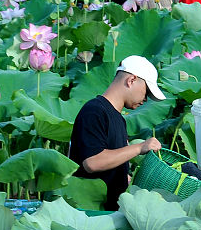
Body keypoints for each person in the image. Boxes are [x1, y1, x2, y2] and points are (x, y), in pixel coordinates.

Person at [68, 56, 165, 211]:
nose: (146, 99)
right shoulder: (94, 111)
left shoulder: (119, 119)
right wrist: (140, 147)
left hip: (110, 212)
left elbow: (111, 162)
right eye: (146, 91)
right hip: (90, 213)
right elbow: (92, 162)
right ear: (131, 80)